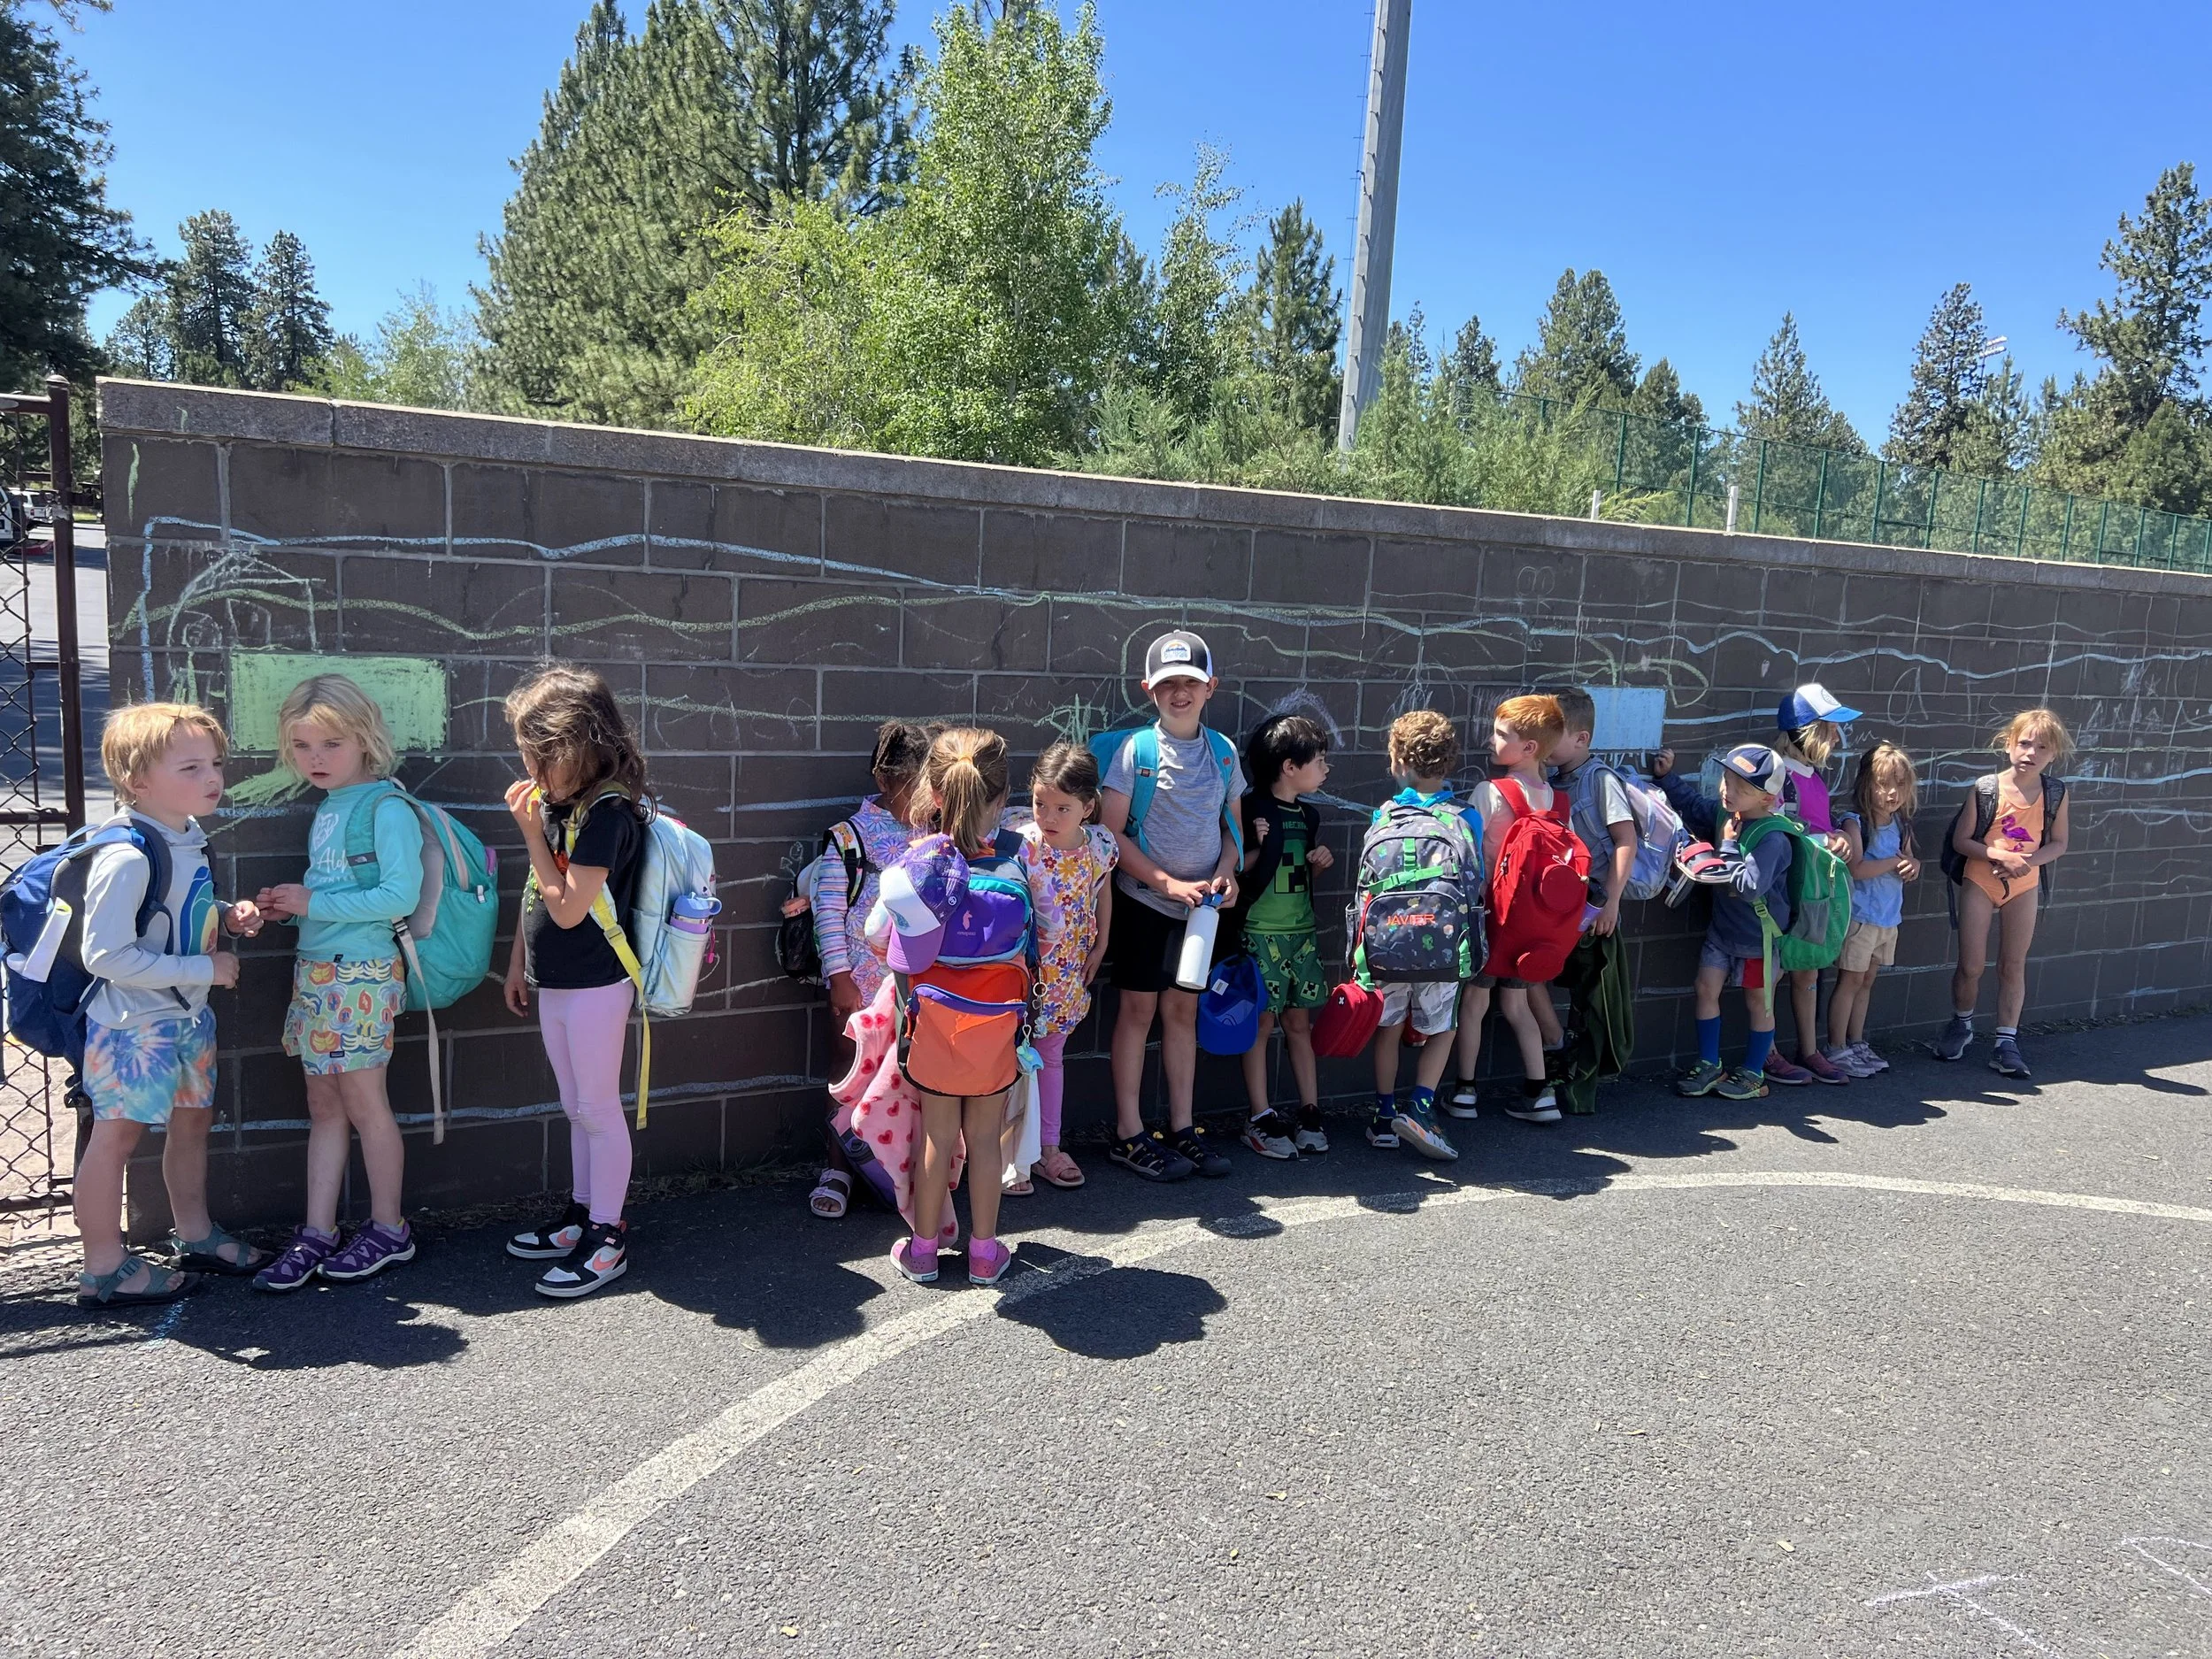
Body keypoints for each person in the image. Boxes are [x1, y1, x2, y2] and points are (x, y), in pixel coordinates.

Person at [71, 703, 267, 1307]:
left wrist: (227, 917)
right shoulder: (128, 855)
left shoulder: (185, 835)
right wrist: (202, 968)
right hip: (134, 1027)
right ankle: (103, 1265)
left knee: (193, 1123)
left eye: (214, 763)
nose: (212, 777)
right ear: (138, 781)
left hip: (185, 1018)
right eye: (190, 766)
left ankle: (196, 1233)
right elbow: (103, 954)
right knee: (117, 1138)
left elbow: (175, 915)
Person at [250, 675, 424, 1292]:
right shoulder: (329, 808)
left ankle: (388, 1228)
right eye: (302, 746)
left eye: (331, 743)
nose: (315, 758)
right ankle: (317, 1232)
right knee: (324, 1104)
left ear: (366, 739)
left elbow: (398, 895)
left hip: (362, 974)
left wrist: (313, 901)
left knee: (363, 1103)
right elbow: (341, 895)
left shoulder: (385, 807)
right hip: (319, 972)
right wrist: (293, 907)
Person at [875, 728, 1061, 1287]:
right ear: (1003, 800)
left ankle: (924, 1253)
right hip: (999, 1023)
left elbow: (879, 938)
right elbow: (1046, 932)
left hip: (932, 1022)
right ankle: (984, 1254)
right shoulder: (1022, 858)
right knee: (985, 1140)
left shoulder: (916, 862)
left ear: (932, 793)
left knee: (935, 1137)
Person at [498, 664, 652, 1299]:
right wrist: (517, 963)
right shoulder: (566, 806)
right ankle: (581, 1213)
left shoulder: (610, 814)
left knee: (596, 1107)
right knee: (574, 1106)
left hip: (596, 982)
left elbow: (567, 906)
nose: (533, 773)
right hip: (557, 981)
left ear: (577, 747)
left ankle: (607, 1234)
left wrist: (533, 834)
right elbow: (538, 891)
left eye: (541, 757)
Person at [1100, 630, 1244, 1181]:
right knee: (1138, 1013)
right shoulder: (1136, 753)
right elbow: (1111, 836)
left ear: (1211, 687)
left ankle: (1183, 1128)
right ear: (1148, 690)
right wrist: (1164, 884)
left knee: (1183, 1013)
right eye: (1167, 685)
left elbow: (1230, 829)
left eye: (1189, 683)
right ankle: (1129, 1132)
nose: (1179, 693)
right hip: (1145, 905)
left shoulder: (1225, 752)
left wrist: (1227, 874)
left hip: (1201, 914)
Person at [804, 719, 931, 1220]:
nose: (926, 796)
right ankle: (839, 1167)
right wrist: (839, 978)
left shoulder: (937, 837)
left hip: (917, 990)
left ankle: (897, 1171)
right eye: (916, 784)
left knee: (911, 1082)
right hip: (859, 986)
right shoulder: (848, 839)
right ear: (885, 780)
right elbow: (828, 913)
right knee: (848, 1076)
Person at [1359, 710, 1478, 1161]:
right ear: (1448, 763)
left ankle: (1383, 1115)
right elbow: (1476, 883)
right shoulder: (1464, 817)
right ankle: (1421, 1107)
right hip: (1443, 945)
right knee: (1443, 1027)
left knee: (1387, 1028)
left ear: (1398, 762)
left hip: (1387, 945)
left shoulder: (1384, 815)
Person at [1935, 709, 2075, 1079]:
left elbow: (2059, 843)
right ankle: (1962, 1024)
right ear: (2009, 744)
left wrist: (2026, 862)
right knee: (1971, 965)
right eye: (2024, 743)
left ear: (2053, 754)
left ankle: (2006, 1042)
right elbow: (1961, 840)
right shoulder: (1986, 788)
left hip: (2024, 884)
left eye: (2042, 747)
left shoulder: (2056, 793)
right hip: (1981, 880)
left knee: (2013, 965)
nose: (2031, 752)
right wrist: (1998, 854)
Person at [1453, 695, 1569, 1125]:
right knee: (1518, 1007)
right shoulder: (1557, 800)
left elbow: (1467, 848)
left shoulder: (1491, 791)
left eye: (1503, 735)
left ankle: (1464, 1092)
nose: (1491, 739)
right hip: (1534, 924)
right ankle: (1540, 1094)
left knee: (1474, 1003)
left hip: (1492, 916)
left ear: (1530, 748)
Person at [1655, 743, 1794, 1100]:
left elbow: (1750, 888)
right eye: (1726, 780)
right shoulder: (1725, 812)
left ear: (1766, 799)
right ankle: (1710, 1065)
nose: (1726, 791)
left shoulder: (1773, 838)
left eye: (1739, 787)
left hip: (1755, 939)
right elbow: (1695, 807)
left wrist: (1730, 846)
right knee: (1705, 988)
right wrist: (1666, 778)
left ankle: (1753, 1074)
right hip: (1722, 931)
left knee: (1759, 1003)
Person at [1232, 714, 1335, 1159]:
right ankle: (1260, 1115)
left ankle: (1309, 1111)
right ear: (1289, 766)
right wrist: (1256, 846)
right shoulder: (1251, 807)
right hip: (1259, 932)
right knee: (1261, 1022)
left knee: (1299, 1022)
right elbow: (1237, 866)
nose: (1326, 769)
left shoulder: (1308, 814)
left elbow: (1297, 876)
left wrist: (1318, 863)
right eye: (1320, 760)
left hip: (1301, 933)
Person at [1016, 741, 1116, 1192]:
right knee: (1009, 1061)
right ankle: (1006, 1156)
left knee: (1051, 1057)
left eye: (1062, 807)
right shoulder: (1024, 846)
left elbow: (1103, 891)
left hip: (1069, 972)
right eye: (1040, 803)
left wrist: (1101, 945)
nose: (1048, 817)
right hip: (1021, 975)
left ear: (1088, 808)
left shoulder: (1100, 846)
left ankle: (1048, 1149)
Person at [1545, 688, 1640, 1117]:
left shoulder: (1600, 779)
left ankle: (1581, 1091)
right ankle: (1559, 1064)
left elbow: (1625, 841)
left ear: (1581, 739)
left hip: (1596, 912)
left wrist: (1612, 904)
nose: (1545, 741)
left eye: (1554, 732)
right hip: (1562, 910)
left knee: (1593, 1004)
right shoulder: (1549, 782)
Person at [1766, 684, 1860, 1086]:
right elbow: (1776, 828)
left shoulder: (1815, 776)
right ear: (1804, 731)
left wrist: (1841, 830)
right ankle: (1765, 1052)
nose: (1836, 737)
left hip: (1816, 889)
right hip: (1786, 891)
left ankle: (1809, 1050)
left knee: (1808, 971)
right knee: (1774, 973)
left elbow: (1821, 823)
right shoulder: (1778, 774)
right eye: (1829, 727)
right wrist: (1826, 839)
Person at [1824, 742, 1919, 1077]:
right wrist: (1895, 862)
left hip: (1888, 918)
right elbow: (1857, 868)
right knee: (1849, 982)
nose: (1893, 793)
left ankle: (1856, 1042)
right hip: (1861, 918)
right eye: (1883, 783)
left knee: (1867, 981)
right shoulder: (1856, 822)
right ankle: (1836, 1048)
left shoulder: (1902, 824)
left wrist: (1912, 866)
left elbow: (1907, 860)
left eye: (1901, 784)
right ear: (1867, 783)